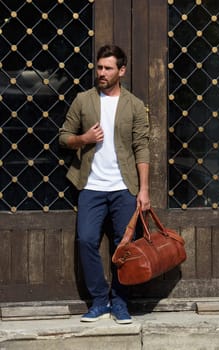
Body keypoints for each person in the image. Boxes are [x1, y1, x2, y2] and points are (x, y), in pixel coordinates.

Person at [59, 44, 150, 324]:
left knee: (125, 248)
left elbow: (141, 147)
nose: (102, 72)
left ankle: (120, 302)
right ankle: (100, 301)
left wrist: (144, 189)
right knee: (86, 240)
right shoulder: (83, 100)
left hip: (124, 188)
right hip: (91, 186)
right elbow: (63, 137)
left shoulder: (134, 105)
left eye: (108, 68)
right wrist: (83, 139)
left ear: (120, 71)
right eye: (99, 67)